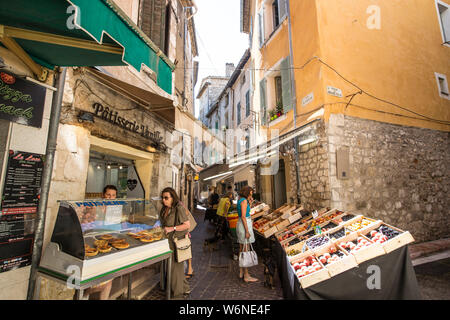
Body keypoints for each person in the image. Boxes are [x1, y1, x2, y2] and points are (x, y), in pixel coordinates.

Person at [83, 185, 117, 300]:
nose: (110, 198)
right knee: (94, 281)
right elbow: (87, 223)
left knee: (108, 280)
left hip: (108, 245)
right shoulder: (94, 207)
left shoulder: (115, 208)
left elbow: (116, 227)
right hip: (93, 244)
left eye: (113, 195)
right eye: (108, 195)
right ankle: (84, 294)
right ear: (103, 195)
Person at [160, 187, 191, 298]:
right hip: (166, 241)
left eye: (166, 198)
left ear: (173, 198)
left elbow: (187, 225)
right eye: (162, 198)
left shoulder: (179, 208)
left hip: (176, 242)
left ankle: (177, 294)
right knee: (172, 267)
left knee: (175, 267)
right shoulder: (164, 209)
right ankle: (185, 288)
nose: (164, 200)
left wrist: (172, 228)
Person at [236, 186, 258, 283]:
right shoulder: (244, 201)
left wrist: (250, 202)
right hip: (244, 225)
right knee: (246, 249)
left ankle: (241, 271)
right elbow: (244, 216)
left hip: (240, 224)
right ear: (248, 192)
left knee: (241, 248)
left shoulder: (240, 200)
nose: (252, 194)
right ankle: (246, 275)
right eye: (251, 192)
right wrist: (247, 231)